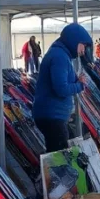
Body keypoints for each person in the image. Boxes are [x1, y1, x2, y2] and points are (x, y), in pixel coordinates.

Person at [32, 23, 91, 152]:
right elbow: (61, 89)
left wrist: (76, 81)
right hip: (52, 116)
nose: (83, 51)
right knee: (58, 157)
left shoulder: (61, 55)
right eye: (83, 45)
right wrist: (79, 85)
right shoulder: (60, 57)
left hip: (52, 115)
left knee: (56, 153)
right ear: (75, 40)